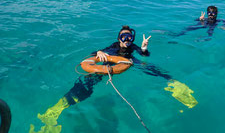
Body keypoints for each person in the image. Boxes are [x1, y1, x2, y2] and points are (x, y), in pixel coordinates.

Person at [30, 26, 197, 133]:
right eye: (124, 38)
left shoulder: (133, 47)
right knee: (88, 83)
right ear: (119, 39)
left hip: (130, 62)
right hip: (110, 63)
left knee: (152, 68)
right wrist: (99, 53)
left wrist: (145, 48)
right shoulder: (115, 46)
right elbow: (98, 52)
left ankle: (173, 83)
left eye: (129, 38)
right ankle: (56, 109)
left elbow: (144, 55)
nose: (127, 41)